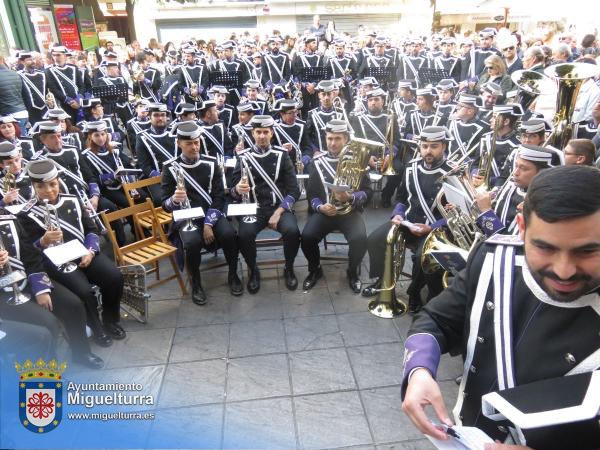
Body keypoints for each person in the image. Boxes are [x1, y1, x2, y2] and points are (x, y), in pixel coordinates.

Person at [401, 164, 600, 449]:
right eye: (545, 247)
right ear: (521, 228)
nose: (564, 270)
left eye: (588, 250)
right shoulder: (493, 259)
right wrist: (419, 369)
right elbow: (435, 319)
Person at [19, 159, 125, 349]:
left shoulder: (73, 200)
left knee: (114, 277)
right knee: (85, 292)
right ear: (33, 186)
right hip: (54, 262)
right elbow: (28, 250)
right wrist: (42, 241)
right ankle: (97, 328)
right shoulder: (26, 214)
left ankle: (110, 320)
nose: (49, 190)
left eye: (52, 184)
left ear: (58, 181)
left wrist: (91, 252)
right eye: (41, 186)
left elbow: (91, 230)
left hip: (84, 253)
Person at [362, 126, 454, 313]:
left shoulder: (453, 173)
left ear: (443, 146)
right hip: (407, 222)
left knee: (423, 257)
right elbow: (402, 197)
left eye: (434, 146)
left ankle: (414, 293)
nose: (428, 150)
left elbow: (458, 213)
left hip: (434, 229)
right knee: (375, 240)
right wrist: (398, 214)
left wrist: (432, 227)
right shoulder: (411, 167)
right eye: (425, 146)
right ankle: (383, 279)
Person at [161, 122, 242, 304]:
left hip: (210, 213)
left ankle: (233, 274)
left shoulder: (211, 163)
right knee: (191, 242)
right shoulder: (170, 167)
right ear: (179, 144)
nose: (194, 147)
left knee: (229, 234)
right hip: (186, 216)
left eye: (197, 142)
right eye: (189, 143)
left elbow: (219, 196)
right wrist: (174, 200)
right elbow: (164, 205)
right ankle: (196, 283)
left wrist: (208, 224)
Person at [231, 115, 301, 293]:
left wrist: (279, 212)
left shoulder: (282, 155)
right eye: (258, 132)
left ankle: (289, 267)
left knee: (292, 231)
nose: (262, 136)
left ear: (272, 133)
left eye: (265, 132)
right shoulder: (244, 157)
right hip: (252, 209)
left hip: (278, 207)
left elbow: (294, 190)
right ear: (252, 133)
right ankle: (253, 270)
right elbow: (231, 191)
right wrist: (238, 189)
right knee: (244, 235)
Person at [301, 120, 371, 292]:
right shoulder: (316, 162)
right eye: (329, 138)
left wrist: (351, 197)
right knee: (307, 237)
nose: (332, 143)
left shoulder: (358, 161)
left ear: (346, 138)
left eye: (337, 138)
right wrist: (320, 207)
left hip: (349, 212)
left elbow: (367, 191)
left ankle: (352, 271)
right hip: (325, 212)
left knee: (360, 239)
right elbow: (312, 194)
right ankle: (315, 269)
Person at [0, 54, 29, 134]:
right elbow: (26, 95)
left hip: (7, 117)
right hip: (22, 113)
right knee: (24, 141)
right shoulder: (15, 74)